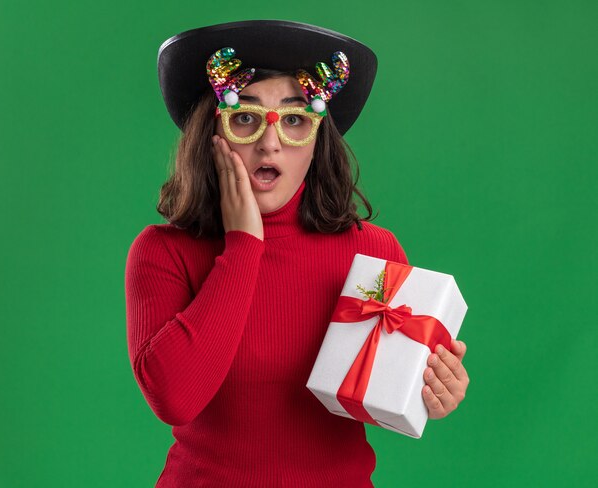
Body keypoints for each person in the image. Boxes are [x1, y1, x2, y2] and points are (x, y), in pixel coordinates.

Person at [125, 20, 470, 487]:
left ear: (315, 140)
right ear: (213, 135)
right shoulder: (162, 253)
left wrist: (432, 390)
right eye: (244, 117)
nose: (270, 142)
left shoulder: (373, 253)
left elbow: (384, 392)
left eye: (293, 120)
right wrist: (244, 245)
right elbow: (175, 399)